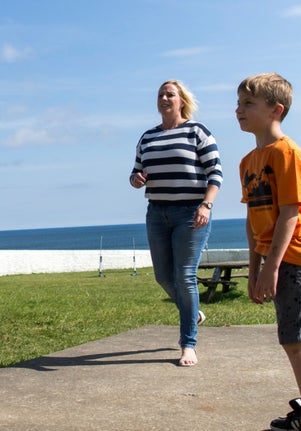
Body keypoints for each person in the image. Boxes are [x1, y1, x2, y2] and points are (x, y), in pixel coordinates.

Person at [236, 73, 301, 431]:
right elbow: (253, 218)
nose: (238, 109)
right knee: (291, 337)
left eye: (248, 103)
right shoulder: (248, 161)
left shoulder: (287, 153)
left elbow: (291, 214)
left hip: (299, 255)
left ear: (276, 110)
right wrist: (254, 267)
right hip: (277, 258)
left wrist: (271, 267)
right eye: (238, 103)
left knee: (298, 339)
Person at [129, 80, 223, 367]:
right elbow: (135, 173)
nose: (164, 98)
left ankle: (188, 344)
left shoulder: (197, 132)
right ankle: (191, 311)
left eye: (170, 94)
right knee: (162, 276)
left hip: (191, 213)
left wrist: (206, 205)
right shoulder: (147, 137)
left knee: (184, 276)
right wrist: (136, 179)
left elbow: (215, 173)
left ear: (182, 100)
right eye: (160, 95)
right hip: (157, 213)